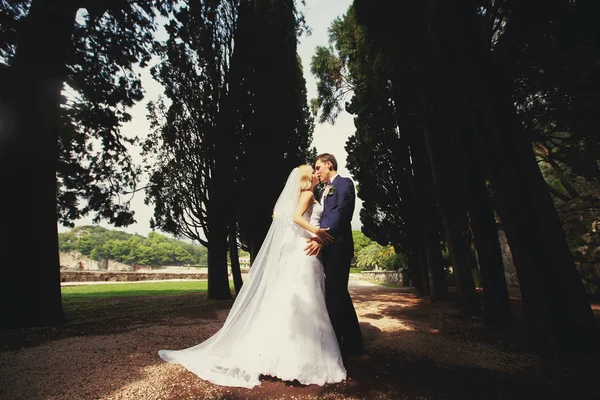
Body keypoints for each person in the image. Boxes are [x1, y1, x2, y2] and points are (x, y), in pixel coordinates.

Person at [158, 165, 346, 388]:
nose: (316, 174)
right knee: (305, 297)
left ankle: (287, 358)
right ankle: (300, 359)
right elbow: (296, 217)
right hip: (304, 250)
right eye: (312, 171)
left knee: (300, 298)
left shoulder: (307, 194)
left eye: (317, 170)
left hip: (302, 249)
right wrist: (318, 232)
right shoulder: (306, 194)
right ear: (306, 178)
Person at [305, 153, 363, 359]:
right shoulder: (322, 190)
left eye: (318, 167)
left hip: (338, 245)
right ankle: (353, 341)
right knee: (338, 293)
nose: (316, 172)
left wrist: (322, 239)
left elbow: (343, 215)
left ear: (329, 165)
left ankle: (337, 343)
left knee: (335, 293)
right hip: (326, 248)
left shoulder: (345, 184)